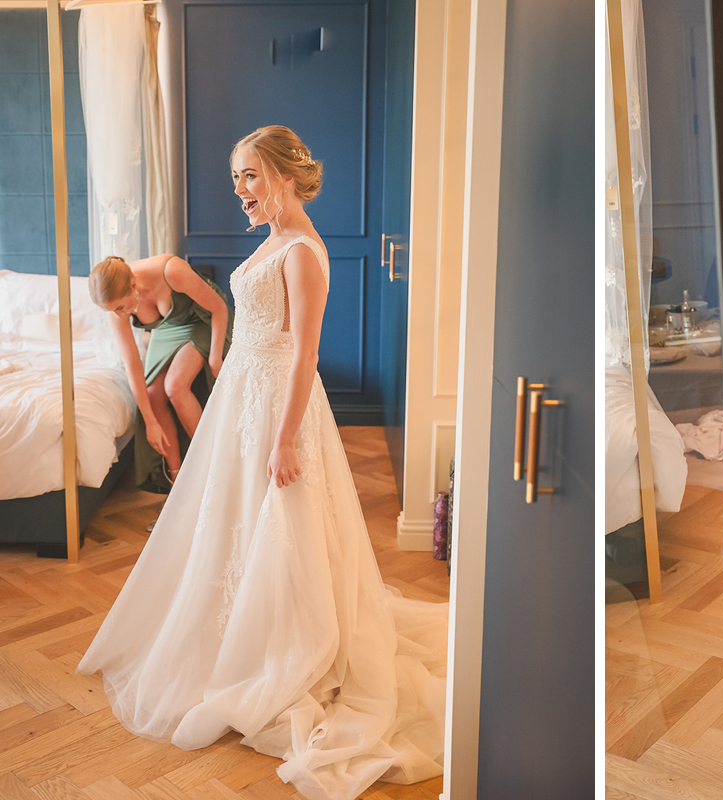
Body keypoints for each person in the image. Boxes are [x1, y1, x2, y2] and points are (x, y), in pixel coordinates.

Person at [78, 125, 447, 800]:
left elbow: (303, 352)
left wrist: (282, 440)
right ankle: (235, 630)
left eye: (250, 176)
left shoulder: (303, 251)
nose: (241, 192)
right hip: (244, 399)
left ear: (282, 175)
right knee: (233, 522)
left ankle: (284, 644)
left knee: (285, 526)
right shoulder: (273, 243)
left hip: (279, 406)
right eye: (236, 180)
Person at [89, 254, 233, 492]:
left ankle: (211, 465)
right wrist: (150, 422)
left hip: (202, 319)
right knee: (153, 395)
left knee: (175, 386)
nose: (118, 315)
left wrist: (215, 357)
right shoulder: (115, 307)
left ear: (134, 285)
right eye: (111, 311)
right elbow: (133, 364)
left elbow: (218, 308)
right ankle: (178, 482)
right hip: (167, 329)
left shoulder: (171, 271)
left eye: (120, 308)